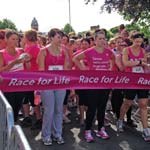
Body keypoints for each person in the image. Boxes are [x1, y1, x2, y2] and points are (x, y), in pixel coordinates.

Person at [73, 31, 114, 142]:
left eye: (103, 38)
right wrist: (83, 69)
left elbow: (114, 60)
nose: (102, 40)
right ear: (95, 40)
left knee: (102, 108)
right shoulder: (89, 51)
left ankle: (101, 128)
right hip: (92, 84)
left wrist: (110, 69)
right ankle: (88, 130)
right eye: (99, 39)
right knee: (91, 108)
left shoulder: (108, 51)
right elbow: (75, 59)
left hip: (105, 84)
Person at [37, 28, 70, 145]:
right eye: (58, 37)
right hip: (47, 85)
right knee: (49, 110)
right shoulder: (43, 51)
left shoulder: (64, 51)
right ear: (50, 38)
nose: (60, 39)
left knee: (58, 110)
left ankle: (57, 134)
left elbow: (66, 69)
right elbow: (40, 70)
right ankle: (46, 135)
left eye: (61, 37)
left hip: (60, 85)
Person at [117, 32, 150, 142]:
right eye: (136, 42)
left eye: (140, 42)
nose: (138, 44)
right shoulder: (127, 50)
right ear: (132, 40)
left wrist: (141, 64)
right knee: (128, 103)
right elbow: (126, 63)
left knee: (143, 104)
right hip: (130, 79)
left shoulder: (143, 50)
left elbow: (144, 64)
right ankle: (120, 120)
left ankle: (146, 129)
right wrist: (140, 62)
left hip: (141, 79)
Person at [0, 30, 30, 122]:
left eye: (17, 39)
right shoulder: (1, 53)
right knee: (9, 109)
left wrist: (28, 60)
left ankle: (13, 129)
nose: (15, 41)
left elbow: (28, 68)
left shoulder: (21, 51)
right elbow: (1, 70)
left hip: (20, 84)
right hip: (7, 86)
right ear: (6, 39)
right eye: (13, 39)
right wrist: (14, 63)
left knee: (17, 108)